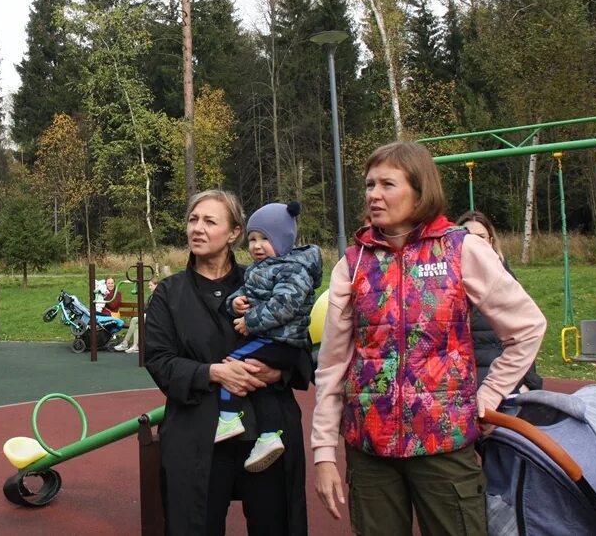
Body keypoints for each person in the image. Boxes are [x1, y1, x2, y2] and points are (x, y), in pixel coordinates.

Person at [312, 142, 547, 536]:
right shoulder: (352, 265)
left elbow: (527, 327)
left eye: (388, 184)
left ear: (419, 191)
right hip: (370, 452)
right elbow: (333, 364)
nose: (374, 194)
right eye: (370, 185)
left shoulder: (461, 250)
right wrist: (323, 453)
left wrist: (486, 400)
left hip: (444, 445)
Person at [145, 190, 311, 536]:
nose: (197, 229)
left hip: (269, 434)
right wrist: (213, 372)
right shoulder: (169, 294)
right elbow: (159, 361)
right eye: (193, 220)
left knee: (276, 525)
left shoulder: (269, 279)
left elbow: (301, 342)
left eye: (209, 221)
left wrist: (277, 369)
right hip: (197, 433)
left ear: (234, 232)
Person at [218, 201, 321, 474]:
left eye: (265, 238)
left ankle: (228, 417)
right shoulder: (260, 268)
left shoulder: (293, 268)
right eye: (252, 239)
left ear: (283, 239)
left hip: (281, 341)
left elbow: (285, 305)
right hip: (273, 339)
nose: (257, 245)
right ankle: (269, 436)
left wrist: (250, 321)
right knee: (260, 384)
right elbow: (246, 292)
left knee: (232, 364)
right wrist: (235, 303)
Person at [456, 209, 544, 393]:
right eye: (467, 238)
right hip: (466, 391)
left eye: (480, 237)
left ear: (491, 241)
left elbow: (523, 331)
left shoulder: (505, 280)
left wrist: (527, 381)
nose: (475, 244)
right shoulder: (448, 284)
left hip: (504, 389)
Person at [114, 277, 157, 353]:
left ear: (156, 285)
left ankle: (125, 343)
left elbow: (157, 310)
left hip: (155, 319)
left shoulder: (158, 296)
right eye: (149, 285)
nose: (149, 287)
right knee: (137, 325)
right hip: (149, 317)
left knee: (134, 320)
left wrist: (146, 314)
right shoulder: (152, 296)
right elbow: (147, 308)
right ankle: (135, 346)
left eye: (151, 285)